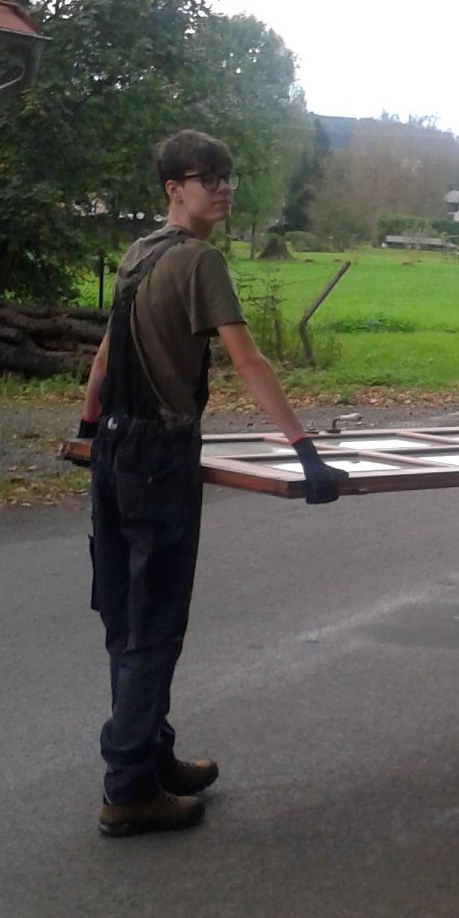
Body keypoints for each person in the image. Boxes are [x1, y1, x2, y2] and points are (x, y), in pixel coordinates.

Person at [75, 129, 347, 837]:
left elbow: (105, 353)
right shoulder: (200, 261)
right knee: (153, 624)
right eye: (209, 178)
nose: (224, 189)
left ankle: (151, 756)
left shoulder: (138, 253)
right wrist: (305, 450)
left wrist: (87, 424)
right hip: (159, 456)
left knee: (126, 617)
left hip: (114, 451)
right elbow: (248, 361)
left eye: (228, 177)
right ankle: (128, 788)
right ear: (175, 188)